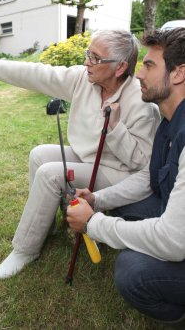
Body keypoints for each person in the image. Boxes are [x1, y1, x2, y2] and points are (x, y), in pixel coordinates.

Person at [0, 29, 160, 281]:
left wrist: (116, 128)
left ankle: (25, 249)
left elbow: (140, 163)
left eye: (95, 58)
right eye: (88, 53)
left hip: (117, 172)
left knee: (50, 173)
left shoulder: (141, 103)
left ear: (120, 68)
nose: (87, 62)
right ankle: (46, 226)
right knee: (39, 155)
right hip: (88, 156)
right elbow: (38, 74)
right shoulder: (83, 79)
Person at [67, 27, 185, 329]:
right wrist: (98, 199)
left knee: (133, 270)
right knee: (120, 205)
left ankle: (175, 317)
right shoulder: (169, 120)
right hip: (173, 213)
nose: (139, 75)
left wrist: (94, 224)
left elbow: (173, 241)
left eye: (148, 65)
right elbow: (148, 177)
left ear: (178, 74)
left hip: (179, 237)